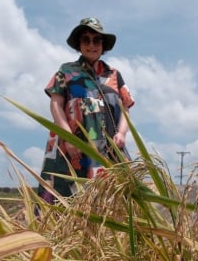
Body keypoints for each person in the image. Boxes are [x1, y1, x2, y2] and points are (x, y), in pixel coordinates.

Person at [38, 17, 135, 203]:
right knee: (66, 199)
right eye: (86, 40)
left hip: (109, 148)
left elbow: (125, 107)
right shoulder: (66, 71)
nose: (92, 45)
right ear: (79, 44)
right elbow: (55, 104)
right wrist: (68, 137)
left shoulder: (114, 75)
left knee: (116, 199)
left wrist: (122, 133)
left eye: (97, 40)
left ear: (103, 45)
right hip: (73, 148)